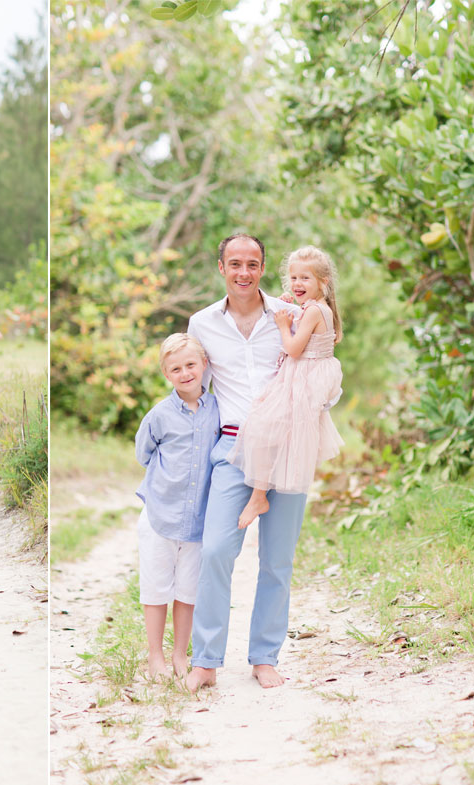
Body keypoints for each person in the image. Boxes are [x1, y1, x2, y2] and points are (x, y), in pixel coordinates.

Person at [184, 233, 307, 692]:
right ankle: (206, 660)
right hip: (232, 451)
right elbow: (193, 385)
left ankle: (264, 657)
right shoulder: (202, 323)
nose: (244, 272)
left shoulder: (290, 315)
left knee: (277, 561)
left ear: (262, 268)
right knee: (216, 550)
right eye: (235, 263)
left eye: (252, 264)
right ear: (221, 267)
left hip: (288, 449)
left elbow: (315, 366)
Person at [229, 245, 344, 529]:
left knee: (261, 426)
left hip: (301, 379)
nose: (297, 284)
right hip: (306, 377)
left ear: (323, 282)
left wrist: (283, 324)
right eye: (293, 278)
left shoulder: (314, 311)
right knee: (272, 429)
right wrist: (290, 308)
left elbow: (293, 348)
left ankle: (259, 496)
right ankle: (262, 494)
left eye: (305, 279)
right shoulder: (316, 308)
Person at [134, 333, 219, 680]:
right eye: (176, 369)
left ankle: (180, 655)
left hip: (199, 520)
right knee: (156, 588)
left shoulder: (218, 409)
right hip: (160, 517)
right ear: (167, 374)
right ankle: (155, 657)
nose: (185, 373)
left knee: (187, 591)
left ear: (204, 365)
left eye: (190, 365)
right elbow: (144, 453)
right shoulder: (160, 415)